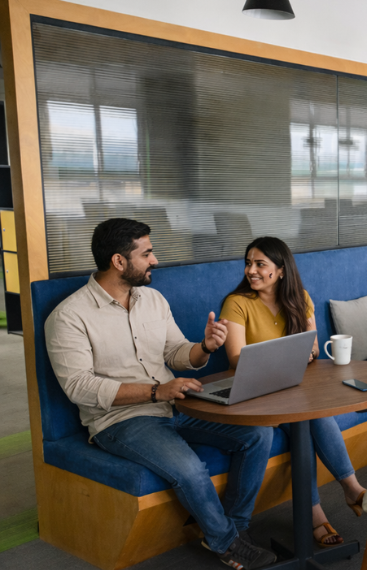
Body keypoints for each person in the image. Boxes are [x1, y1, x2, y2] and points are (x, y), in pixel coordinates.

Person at [45, 219, 276, 570]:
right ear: (119, 262)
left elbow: (175, 352)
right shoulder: (68, 317)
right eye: (147, 253)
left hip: (174, 405)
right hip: (120, 421)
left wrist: (205, 347)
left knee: (258, 433)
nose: (155, 260)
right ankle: (226, 544)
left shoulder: (152, 299)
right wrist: (156, 391)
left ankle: (237, 528)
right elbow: (80, 387)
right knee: (190, 468)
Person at [220, 237, 367, 548]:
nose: (251, 270)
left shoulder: (299, 297)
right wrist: (287, 357)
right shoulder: (237, 302)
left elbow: (313, 346)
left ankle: (340, 495)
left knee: (312, 417)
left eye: (260, 264)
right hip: (254, 394)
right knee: (309, 419)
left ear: (281, 270)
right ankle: (339, 498)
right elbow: (235, 359)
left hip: (291, 386)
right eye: (248, 263)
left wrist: (302, 355)